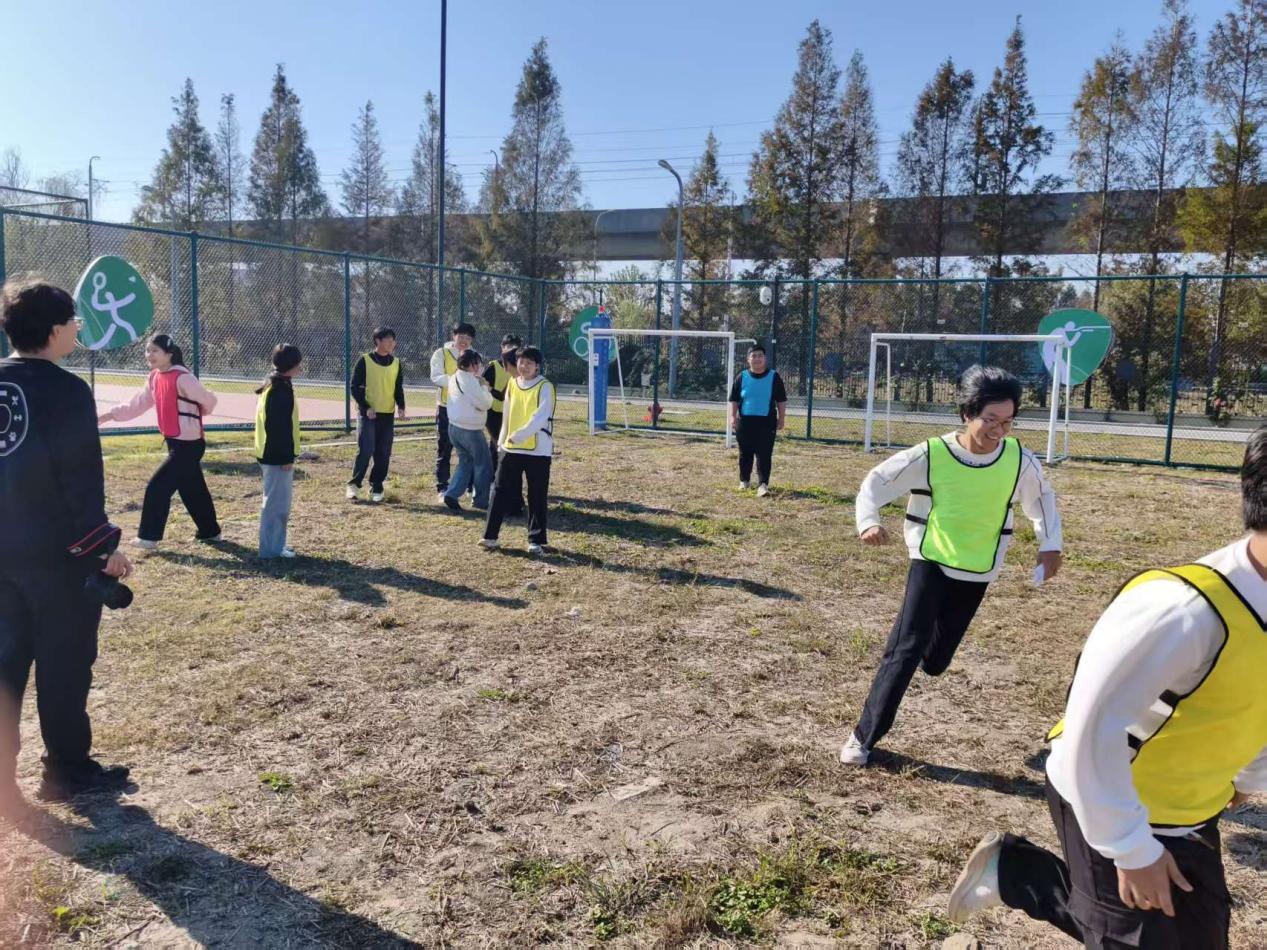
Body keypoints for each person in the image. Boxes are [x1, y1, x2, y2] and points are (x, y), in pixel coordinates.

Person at [949, 425, 1267, 950]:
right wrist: (1131, 848)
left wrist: (1249, 775)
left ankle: (1012, 871)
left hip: (1190, 811)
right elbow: (1090, 732)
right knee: (1135, 936)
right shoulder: (1183, 611)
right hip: (1111, 800)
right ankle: (1023, 875)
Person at [841, 365, 1063, 767]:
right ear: (967, 414)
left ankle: (928, 647)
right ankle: (863, 737)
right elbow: (876, 481)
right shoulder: (933, 454)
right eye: (990, 420)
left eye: (1007, 422)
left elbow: (1041, 501)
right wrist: (868, 521)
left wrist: (1050, 545)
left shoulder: (1019, 460)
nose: (998, 430)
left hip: (978, 567)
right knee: (905, 648)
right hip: (930, 559)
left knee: (936, 661)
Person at [0, 278, 133, 813]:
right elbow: (80, 482)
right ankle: (66, 771)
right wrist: (102, 548)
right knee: (64, 664)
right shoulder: (67, 391)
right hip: (54, 559)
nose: (78, 328)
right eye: (74, 321)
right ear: (55, 331)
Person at [99, 333, 221, 549]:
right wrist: (109, 415)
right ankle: (210, 532)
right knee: (192, 489)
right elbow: (137, 404)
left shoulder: (183, 378)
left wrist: (195, 415)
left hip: (189, 445)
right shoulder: (154, 377)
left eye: (155, 350)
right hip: (174, 443)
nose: (150, 355)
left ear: (169, 354)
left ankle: (148, 538)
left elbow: (209, 401)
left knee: (157, 487)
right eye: (147, 350)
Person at [482, 346, 555, 555]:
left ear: (537, 366)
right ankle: (490, 537)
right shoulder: (513, 383)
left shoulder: (545, 387)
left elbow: (540, 418)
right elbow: (507, 414)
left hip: (538, 450)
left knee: (536, 495)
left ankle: (536, 541)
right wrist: (501, 441)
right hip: (511, 448)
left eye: (529, 363)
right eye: (521, 362)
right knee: (499, 490)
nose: (524, 366)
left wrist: (520, 435)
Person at [346, 327, 406, 503]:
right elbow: (354, 387)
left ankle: (377, 486)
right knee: (366, 449)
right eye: (388, 340)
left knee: (383, 453)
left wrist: (401, 406)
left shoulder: (396, 363)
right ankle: (354, 485)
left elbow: (398, 387)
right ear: (378, 341)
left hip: (387, 414)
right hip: (368, 414)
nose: (392, 343)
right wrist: (365, 407)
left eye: (393, 340)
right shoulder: (365, 360)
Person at [255, 344, 303, 559]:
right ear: (290, 365)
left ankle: (275, 546)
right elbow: (278, 427)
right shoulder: (279, 390)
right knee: (276, 505)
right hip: (276, 456)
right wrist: (286, 457)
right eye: (298, 363)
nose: (300, 367)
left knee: (277, 502)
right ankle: (271, 550)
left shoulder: (276, 384)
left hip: (270, 452)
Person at [728, 344, 787, 497]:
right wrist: (733, 416)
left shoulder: (774, 377)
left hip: (766, 422)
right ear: (748, 359)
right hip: (745, 421)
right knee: (745, 452)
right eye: (754, 356)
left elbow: (781, 400)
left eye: (760, 355)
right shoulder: (742, 377)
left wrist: (782, 418)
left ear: (765, 359)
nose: (757, 359)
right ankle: (744, 481)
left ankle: (763, 485)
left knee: (764, 454)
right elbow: (734, 399)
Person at [443, 349, 495, 512]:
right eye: (478, 363)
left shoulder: (454, 376)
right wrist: (485, 388)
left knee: (465, 462)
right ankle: (480, 500)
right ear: (473, 365)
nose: (480, 367)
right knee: (483, 464)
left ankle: (452, 494)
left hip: (454, 428)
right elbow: (485, 403)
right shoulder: (470, 381)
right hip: (470, 430)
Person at [431, 322, 475, 503]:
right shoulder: (441, 353)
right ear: (453, 336)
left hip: (467, 409)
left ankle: (471, 486)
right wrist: (458, 381)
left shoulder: (475, 356)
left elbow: (477, 379)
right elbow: (436, 377)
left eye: (468, 338)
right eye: (461, 336)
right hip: (446, 407)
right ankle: (442, 486)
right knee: (445, 448)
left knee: (470, 449)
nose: (464, 340)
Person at [483, 334, 525, 517]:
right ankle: (503, 496)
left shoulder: (522, 377)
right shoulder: (495, 368)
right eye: (508, 346)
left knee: (509, 461)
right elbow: (489, 390)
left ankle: (512, 501)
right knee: (501, 456)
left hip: (515, 425)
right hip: (497, 417)